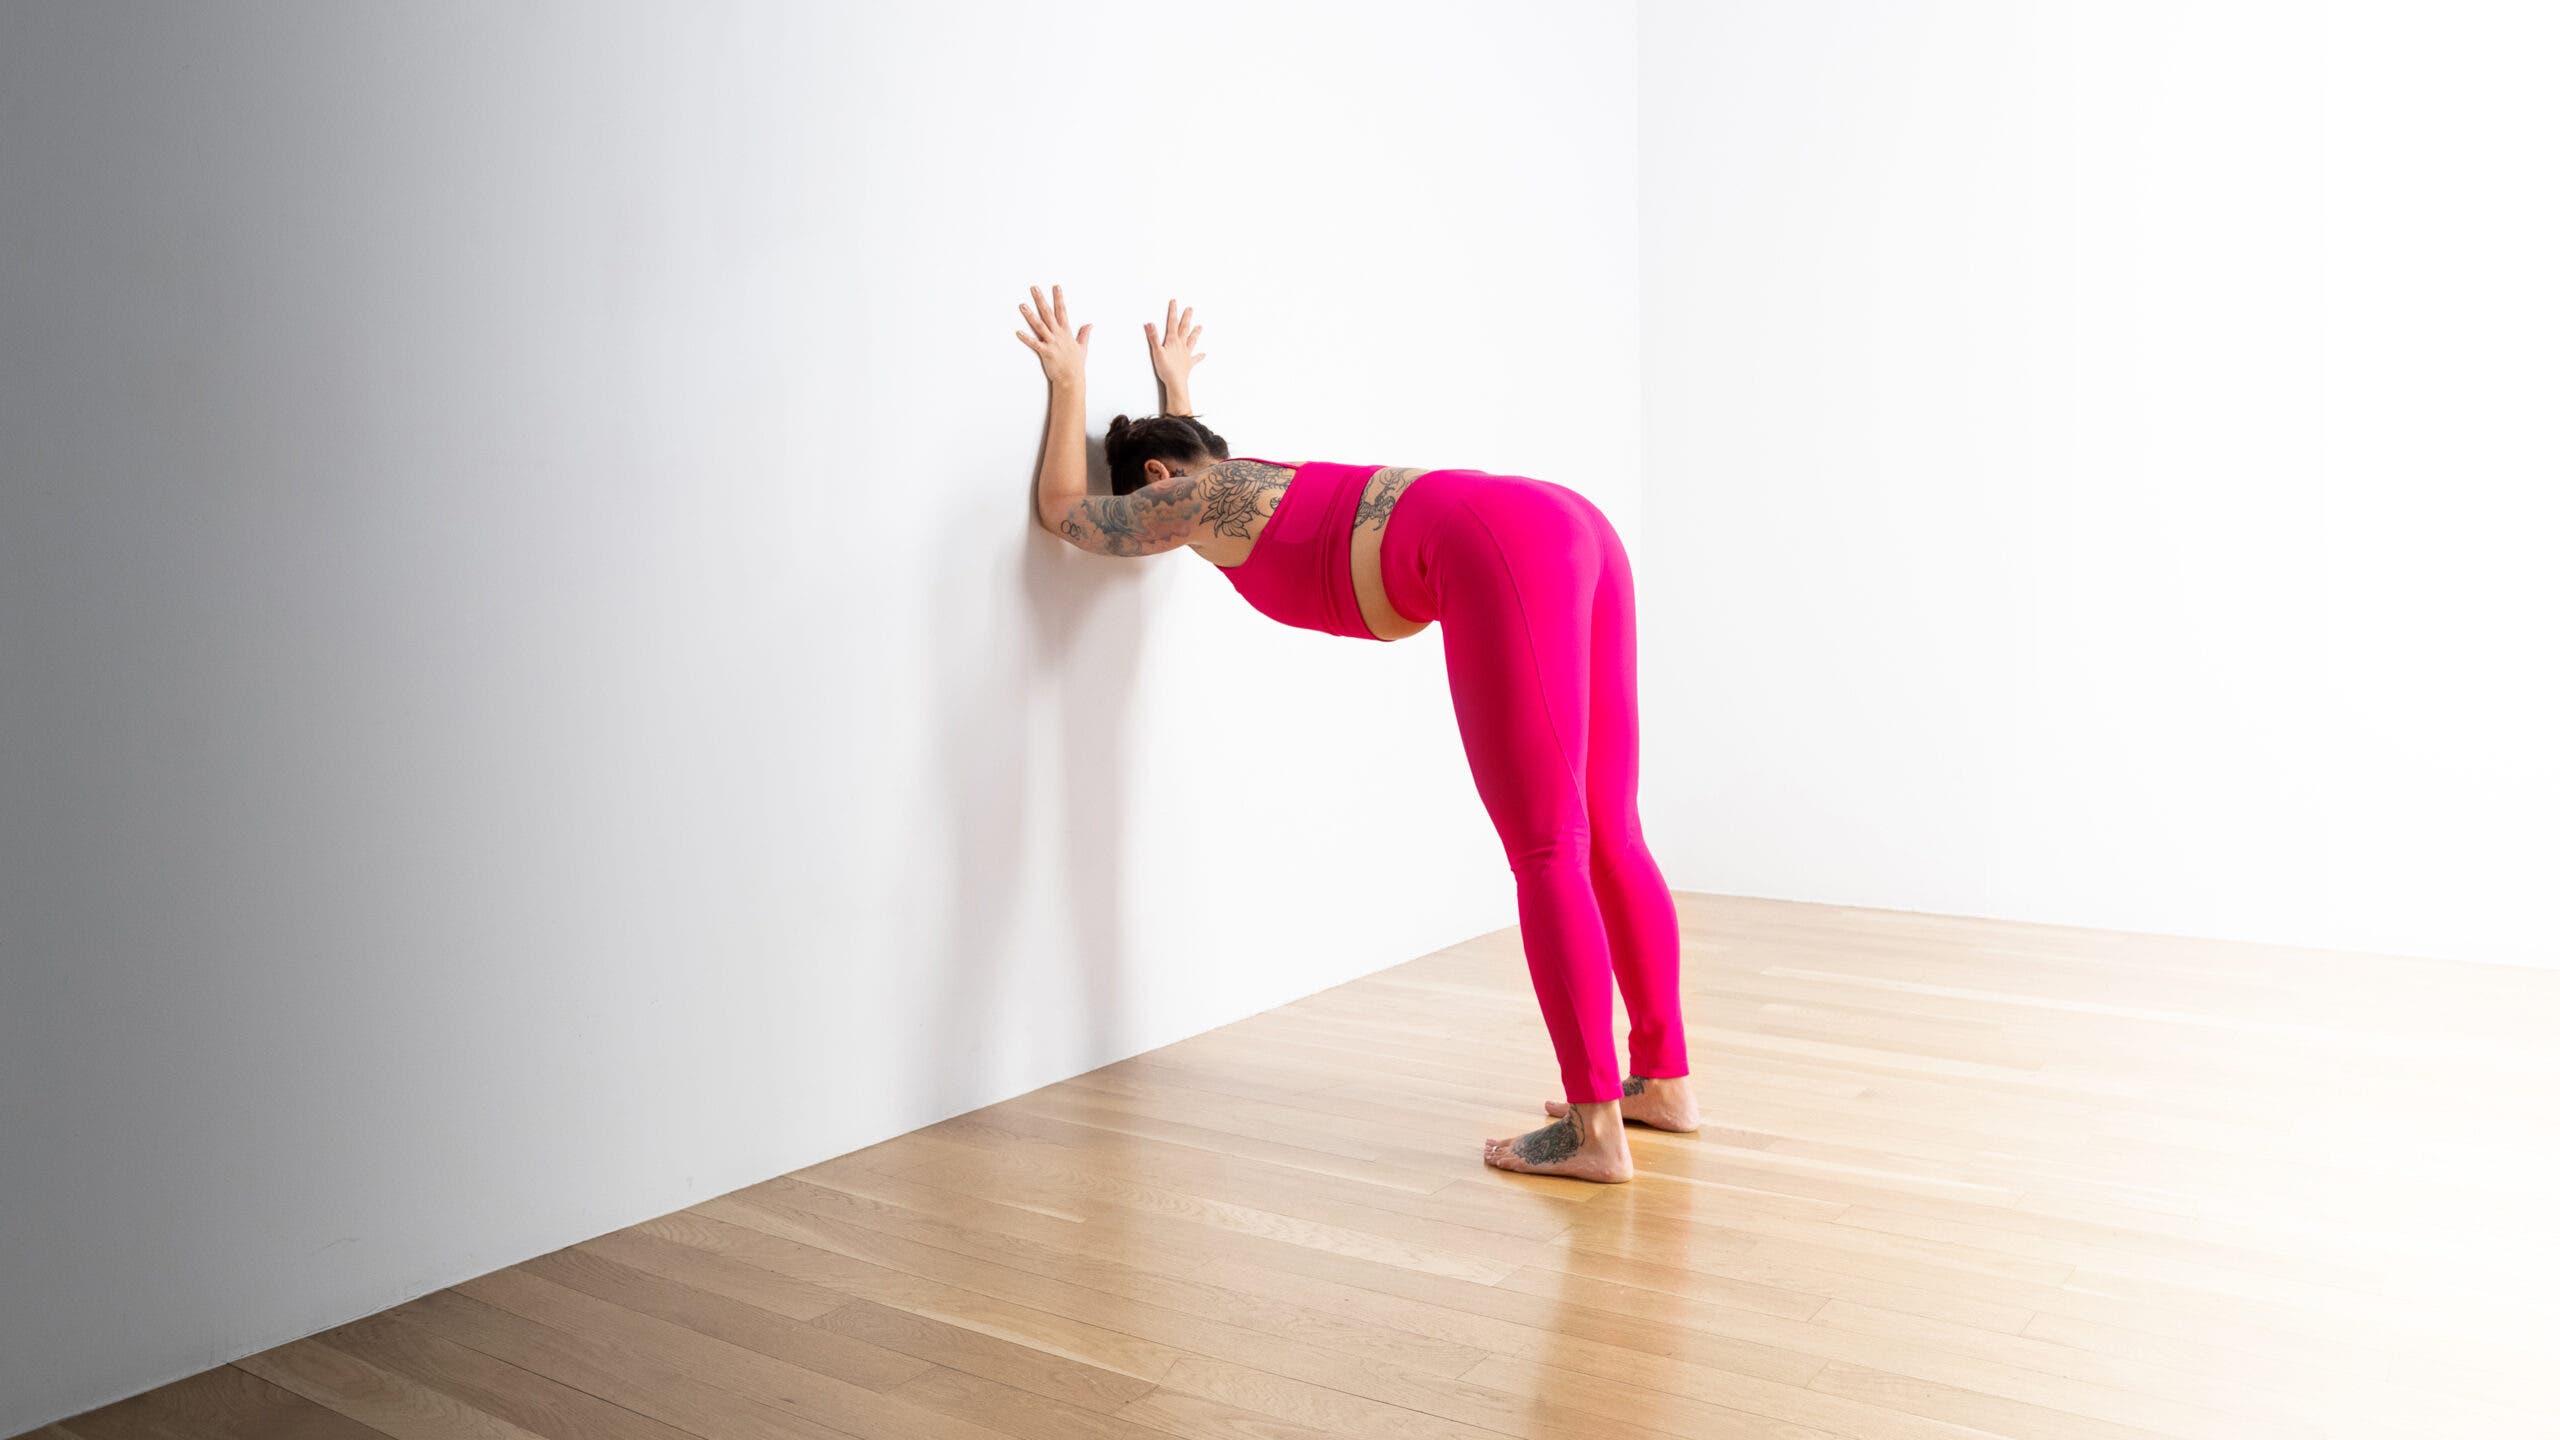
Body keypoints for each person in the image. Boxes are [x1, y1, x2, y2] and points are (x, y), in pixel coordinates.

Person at [1016, 285, 1698, 1183]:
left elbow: (1064, 509)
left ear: (1155, 482)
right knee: (1612, 829)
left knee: (1547, 846)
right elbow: (1194, 464)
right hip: (1571, 523)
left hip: (1499, 543)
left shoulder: (1189, 497)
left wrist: (1069, 381)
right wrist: (1173, 392)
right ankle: (1663, 1081)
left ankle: (1594, 1129)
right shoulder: (1241, 479)